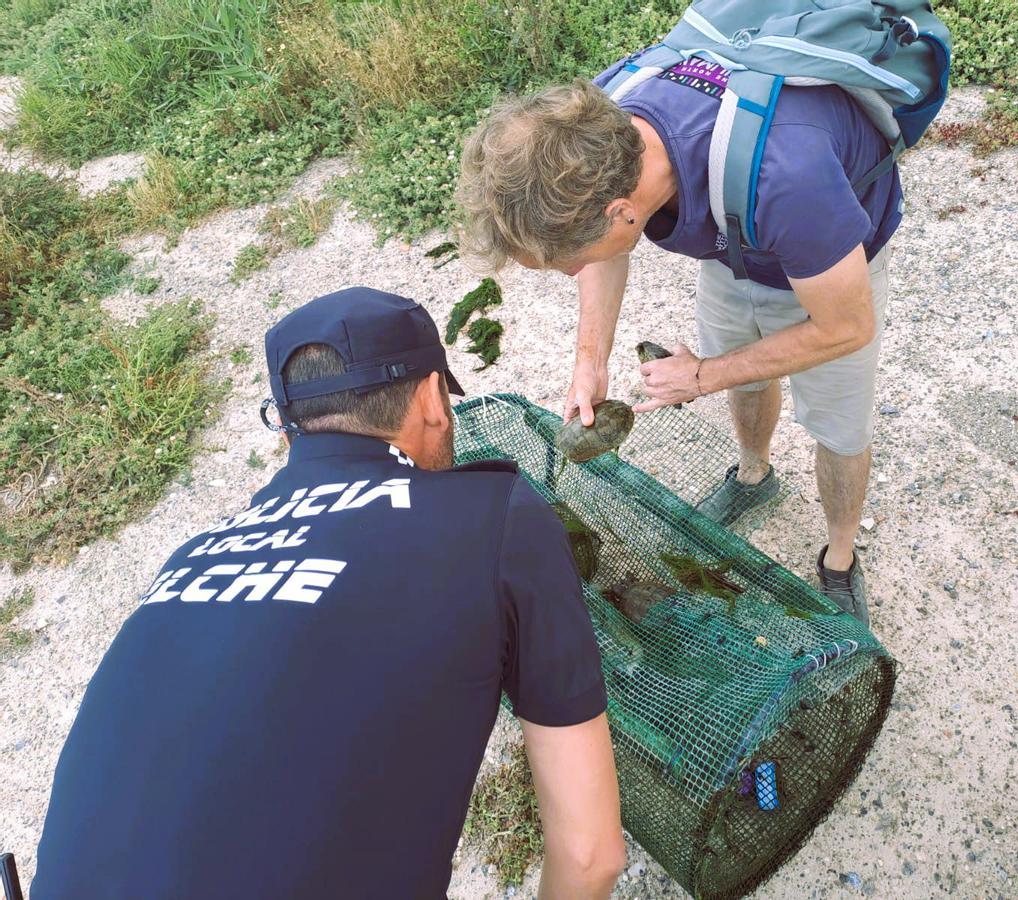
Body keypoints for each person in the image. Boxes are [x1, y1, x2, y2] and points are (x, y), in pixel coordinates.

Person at [32, 288, 625, 899]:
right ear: (430, 398)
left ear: (288, 432)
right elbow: (590, 855)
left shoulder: (189, 557)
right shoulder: (495, 516)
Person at [457, 54, 903, 627]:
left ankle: (840, 559)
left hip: (831, 257)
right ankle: (753, 476)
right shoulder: (587, 132)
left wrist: (704, 375)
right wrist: (589, 362)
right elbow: (602, 245)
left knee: (839, 427)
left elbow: (847, 328)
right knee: (746, 368)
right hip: (737, 238)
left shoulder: (786, 177)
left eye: (565, 265)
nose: (571, 274)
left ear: (622, 211)